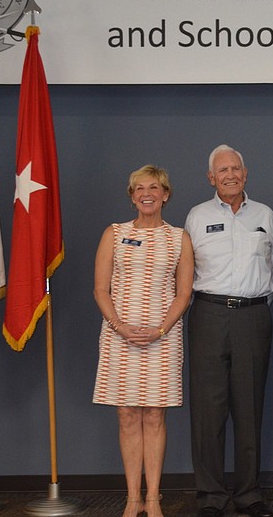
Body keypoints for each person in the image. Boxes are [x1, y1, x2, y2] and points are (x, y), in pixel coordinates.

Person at [185, 145, 273, 517]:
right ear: (211, 178)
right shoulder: (196, 216)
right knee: (208, 412)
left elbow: (272, 272)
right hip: (208, 315)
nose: (230, 174)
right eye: (222, 170)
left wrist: (252, 306)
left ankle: (248, 494)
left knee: (249, 406)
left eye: (236, 168)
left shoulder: (265, 215)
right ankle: (210, 496)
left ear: (246, 173)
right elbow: (187, 271)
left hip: (253, 316)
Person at [93, 165, 194, 517]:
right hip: (119, 336)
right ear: (132, 195)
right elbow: (100, 289)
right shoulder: (114, 233)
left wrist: (161, 329)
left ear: (166, 194)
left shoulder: (179, 237)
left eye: (154, 187)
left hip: (163, 338)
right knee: (126, 415)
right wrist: (119, 325)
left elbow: (184, 293)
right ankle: (132, 497)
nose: (146, 193)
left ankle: (153, 498)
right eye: (139, 188)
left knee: (154, 416)